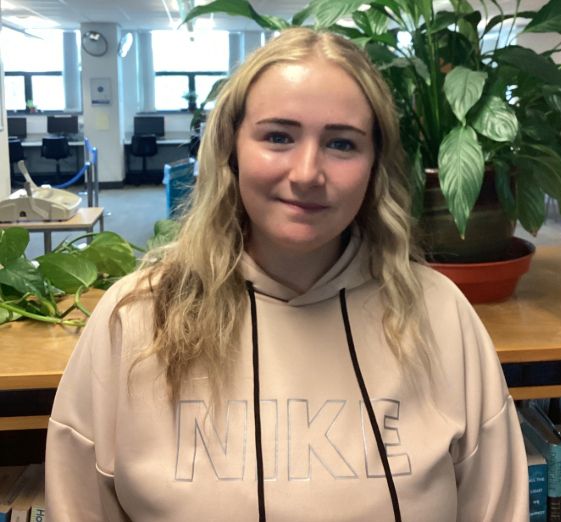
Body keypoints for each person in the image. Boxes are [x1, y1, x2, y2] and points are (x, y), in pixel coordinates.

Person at [46, 27, 528, 521]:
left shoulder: (439, 315)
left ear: (374, 166)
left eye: (342, 144)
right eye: (278, 136)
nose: (305, 173)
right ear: (231, 149)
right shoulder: (137, 321)